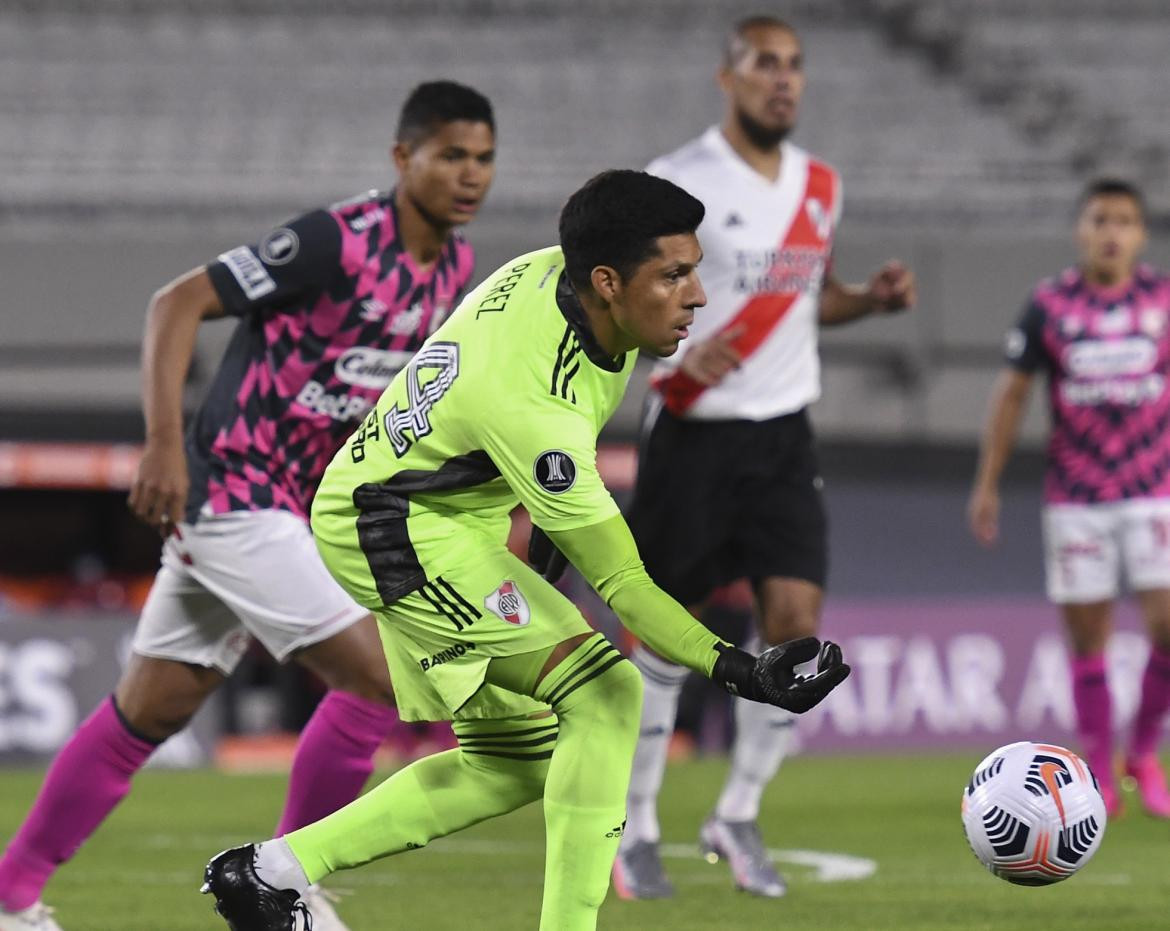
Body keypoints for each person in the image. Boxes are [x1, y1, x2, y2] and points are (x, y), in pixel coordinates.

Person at [198, 169, 851, 931]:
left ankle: (269, 872)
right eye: (674, 275)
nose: (698, 295)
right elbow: (624, 582)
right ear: (608, 281)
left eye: (694, 268)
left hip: (436, 515)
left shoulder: (560, 280)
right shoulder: (534, 398)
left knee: (514, 763)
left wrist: (526, 579)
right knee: (610, 693)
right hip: (397, 529)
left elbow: (541, 491)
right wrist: (742, 668)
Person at [0, 80, 496, 931]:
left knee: (148, 710)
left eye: (484, 158)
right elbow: (177, 302)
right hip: (234, 491)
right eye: (451, 154)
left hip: (293, 511)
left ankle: (7, 897)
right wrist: (162, 441)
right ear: (402, 156)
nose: (471, 174)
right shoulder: (332, 241)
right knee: (382, 678)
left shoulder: (451, 267)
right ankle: (283, 888)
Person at [613, 15, 915, 900]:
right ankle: (637, 820)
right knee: (670, 634)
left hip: (785, 434)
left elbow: (804, 302)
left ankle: (737, 814)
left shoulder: (822, 185)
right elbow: (628, 308)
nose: (782, 80)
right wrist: (669, 355)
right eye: (764, 66)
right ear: (728, 78)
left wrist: (869, 301)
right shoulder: (677, 180)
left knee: (796, 626)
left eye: (794, 67)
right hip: (696, 434)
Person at [969, 178, 1170, 820]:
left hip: (1154, 491)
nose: (1111, 232)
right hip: (1077, 497)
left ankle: (1142, 754)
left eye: (1124, 221)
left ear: (1141, 234)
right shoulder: (1048, 305)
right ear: (1080, 229)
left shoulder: (1164, 300)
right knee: (1091, 641)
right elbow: (1011, 396)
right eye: (1099, 219)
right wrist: (987, 483)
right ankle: (1098, 771)